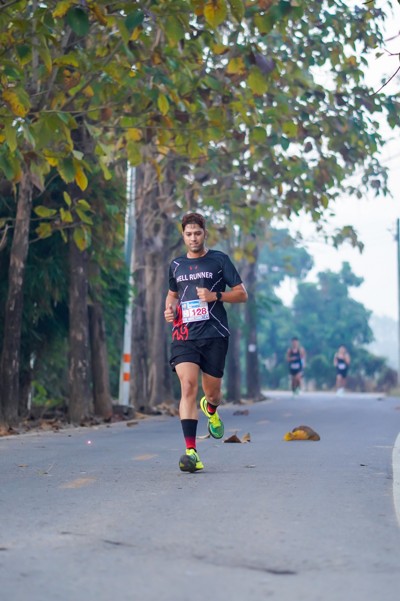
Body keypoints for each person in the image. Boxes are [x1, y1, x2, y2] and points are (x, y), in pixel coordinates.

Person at [164, 212, 248, 473]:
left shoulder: (219, 260)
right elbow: (172, 295)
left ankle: (210, 408)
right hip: (184, 335)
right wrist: (169, 309)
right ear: (183, 236)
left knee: (212, 393)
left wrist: (215, 296)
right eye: (188, 234)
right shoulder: (176, 265)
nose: (193, 238)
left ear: (205, 234)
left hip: (214, 334)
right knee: (188, 386)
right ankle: (192, 452)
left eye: (197, 233)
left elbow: (242, 294)